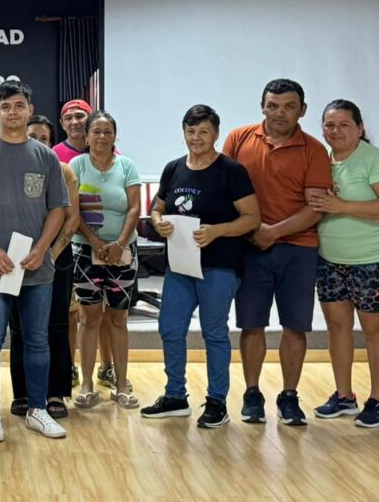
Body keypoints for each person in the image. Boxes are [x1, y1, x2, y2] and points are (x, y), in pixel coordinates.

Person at [0, 80, 69, 442]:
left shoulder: (46, 157)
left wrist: (42, 248)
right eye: (6, 107)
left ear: (29, 109)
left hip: (36, 266)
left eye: (19, 105)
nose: (13, 112)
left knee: (37, 339)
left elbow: (58, 209)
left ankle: (37, 409)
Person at [143, 104, 260, 428]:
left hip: (219, 266)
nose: (196, 138)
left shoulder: (231, 171)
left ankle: (217, 402)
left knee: (214, 333)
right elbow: (157, 208)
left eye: (203, 132)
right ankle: (175, 396)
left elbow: (252, 218)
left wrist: (217, 230)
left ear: (216, 134)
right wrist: (158, 221)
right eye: (191, 131)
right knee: (170, 328)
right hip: (180, 266)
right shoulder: (173, 168)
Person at [223, 78, 331, 426]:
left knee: (295, 326)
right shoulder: (238, 139)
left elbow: (316, 208)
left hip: (298, 250)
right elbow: (224, 191)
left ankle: (289, 396)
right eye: (272, 105)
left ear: (303, 110)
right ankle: (252, 393)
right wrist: (253, 230)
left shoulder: (314, 150)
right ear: (262, 107)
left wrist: (273, 232)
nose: (279, 113)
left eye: (288, 106)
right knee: (251, 324)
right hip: (249, 247)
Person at [308, 99, 379, 427]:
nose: (335, 131)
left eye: (344, 125)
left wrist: (342, 205)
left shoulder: (372, 158)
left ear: (360, 128)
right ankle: (344, 395)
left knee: (374, 332)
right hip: (329, 260)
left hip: (370, 261)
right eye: (329, 125)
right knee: (337, 328)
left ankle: (376, 399)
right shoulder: (321, 160)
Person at [11, 114, 80, 420]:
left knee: (56, 325)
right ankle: (23, 393)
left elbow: (72, 217)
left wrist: (49, 253)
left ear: (51, 143)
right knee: (19, 327)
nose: (38, 143)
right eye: (32, 137)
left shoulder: (62, 169)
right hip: (18, 256)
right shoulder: (9, 168)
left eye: (44, 138)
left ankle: (55, 392)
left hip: (56, 258)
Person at [71, 111, 141, 410]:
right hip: (85, 252)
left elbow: (135, 208)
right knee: (88, 318)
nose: (102, 137)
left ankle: (121, 384)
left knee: (118, 318)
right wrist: (96, 242)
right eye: (96, 132)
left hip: (123, 252)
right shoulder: (76, 165)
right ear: (86, 136)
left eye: (108, 132)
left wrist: (119, 243)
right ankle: (87, 385)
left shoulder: (126, 166)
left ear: (115, 136)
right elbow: (73, 212)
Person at [53, 98, 118, 390]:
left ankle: (107, 367)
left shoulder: (113, 155)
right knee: (72, 313)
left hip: (109, 246)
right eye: (68, 118)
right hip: (73, 245)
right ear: (62, 124)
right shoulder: (56, 155)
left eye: (80, 116)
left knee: (103, 313)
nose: (75, 122)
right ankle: (69, 367)